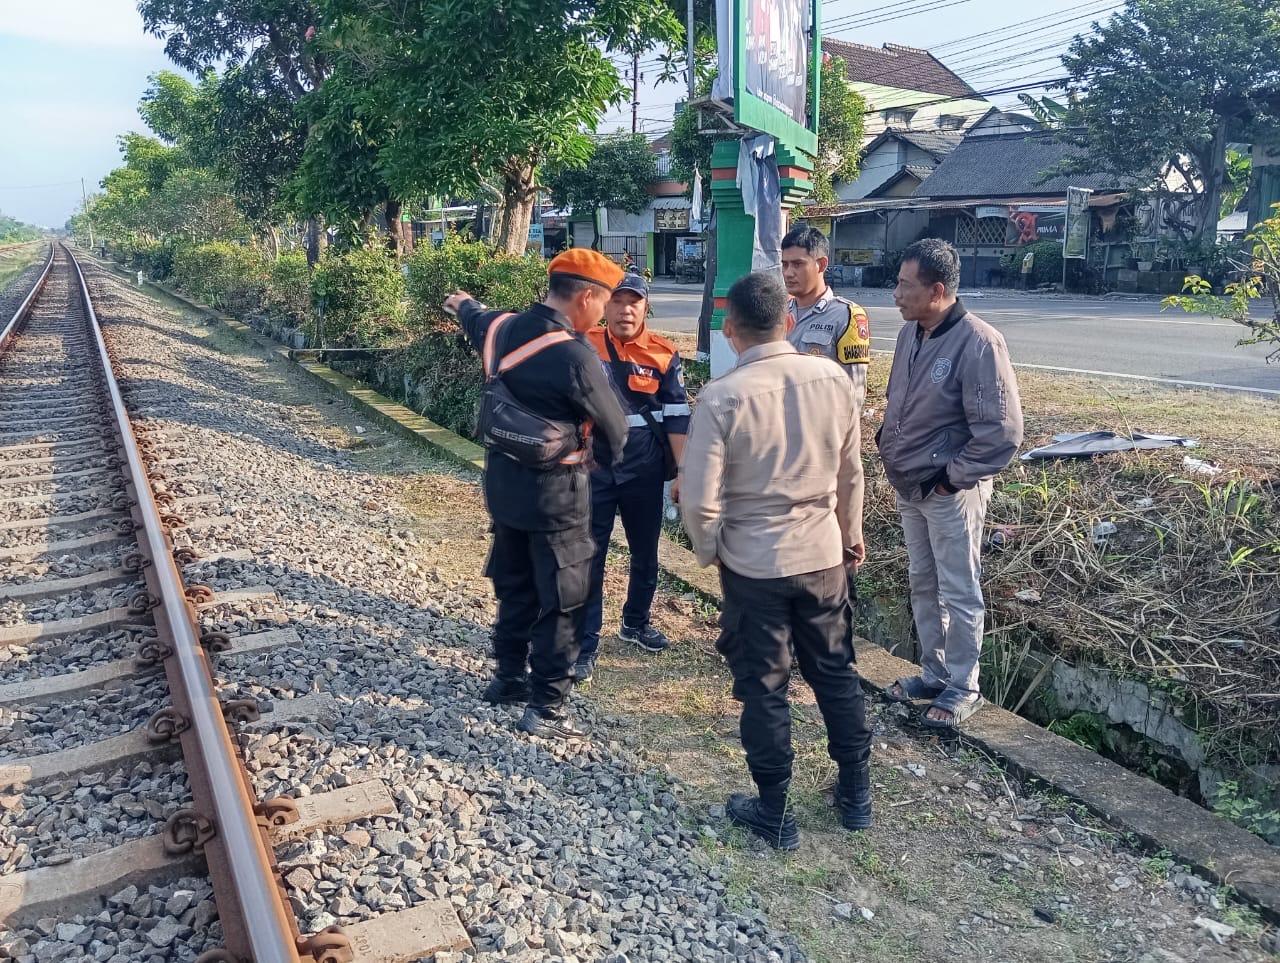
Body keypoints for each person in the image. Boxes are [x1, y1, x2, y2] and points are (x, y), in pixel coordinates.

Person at [681, 271, 872, 850]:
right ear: (788, 320)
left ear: (731, 329)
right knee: (835, 672)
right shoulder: (834, 379)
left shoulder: (722, 396)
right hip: (821, 553)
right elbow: (850, 471)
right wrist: (850, 534)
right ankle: (856, 793)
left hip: (755, 562)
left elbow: (698, 497)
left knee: (764, 686)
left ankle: (774, 809)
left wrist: (710, 549)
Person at [443, 249, 629, 741]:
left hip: (502, 487)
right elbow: (615, 431)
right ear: (586, 298)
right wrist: (599, 463)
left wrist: (461, 303)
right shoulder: (574, 355)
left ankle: (507, 679)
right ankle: (547, 707)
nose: (604, 315)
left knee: (515, 584)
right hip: (558, 498)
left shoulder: (500, 328)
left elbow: (471, 315)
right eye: (604, 304)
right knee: (565, 599)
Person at [877, 238, 1024, 729]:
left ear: (937, 290)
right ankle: (935, 672)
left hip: (948, 492)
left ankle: (964, 685)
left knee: (959, 589)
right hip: (909, 484)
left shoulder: (980, 343)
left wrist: (950, 480)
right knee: (924, 582)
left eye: (904, 284)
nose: (895, 293)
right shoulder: (911, 333)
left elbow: (1001, 433)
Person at [577, 275, 690, 681]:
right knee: (590, 556)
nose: (626, 310)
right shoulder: (583, 344)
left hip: (644, 473)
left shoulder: (664, 354)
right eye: (618, 302)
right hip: (594, 471)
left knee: (646, 552)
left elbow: (677, 415)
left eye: (634, 303)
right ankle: (585, 641)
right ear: (604, 307)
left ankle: (635, 623)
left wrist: (682, 473)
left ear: (645, 308)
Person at [781, 226, 871, 414]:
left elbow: (855, 391)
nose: (788, 273)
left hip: (822, 431)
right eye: (785, 264)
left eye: (797, 264)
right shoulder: (778, 314)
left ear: (821, 264)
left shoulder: (846, 315)